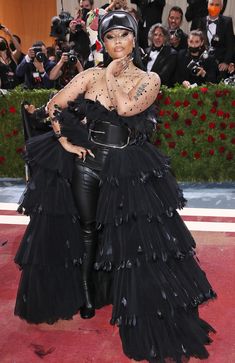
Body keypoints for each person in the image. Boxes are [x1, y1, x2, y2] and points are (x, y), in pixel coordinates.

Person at [15, 11, 216, 363]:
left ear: (134, 39)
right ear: (102, 42)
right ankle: (88, 295)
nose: (118, 42)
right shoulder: (89, 76)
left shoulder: (149, 79)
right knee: (88, 231)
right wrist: (63, 141)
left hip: (126, 167)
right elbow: (54, 105)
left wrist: (109, 73)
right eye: (111, 37)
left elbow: (124, 108)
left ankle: (128, 297)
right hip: (87, 164)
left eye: (124, 35)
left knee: (130, 237)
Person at [196, 0, 235, 81]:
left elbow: (231, 45)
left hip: (220, 65)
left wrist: (226, 62)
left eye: (217, 5)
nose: (214, 7)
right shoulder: (201, 21)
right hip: (204, 64)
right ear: (207, 5)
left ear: (221, 7)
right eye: (211, 4)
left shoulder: (227, 21)